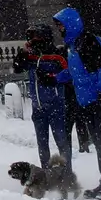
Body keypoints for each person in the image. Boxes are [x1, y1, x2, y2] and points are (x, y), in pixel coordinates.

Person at [54, 7, 101, 200]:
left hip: (98, 101)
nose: (59, 29)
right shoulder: (74, 45)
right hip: (87, 101)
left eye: (61, 25)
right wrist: (56, 78)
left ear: (70, 24)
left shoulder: (89, 42)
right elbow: (77, 73)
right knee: (99, 144)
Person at [11, 23, 71, 168]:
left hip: (56, 106)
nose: (33, 40)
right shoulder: (31, 56)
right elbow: (16, 68)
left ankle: (67, 174)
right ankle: (46, 174)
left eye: (36, 36)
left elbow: (68, 75)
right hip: (37, 107)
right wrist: (22, 53)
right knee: (42, 144)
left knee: (61, 141)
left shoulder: (57, 55)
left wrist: (51, 78)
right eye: (31, 37)